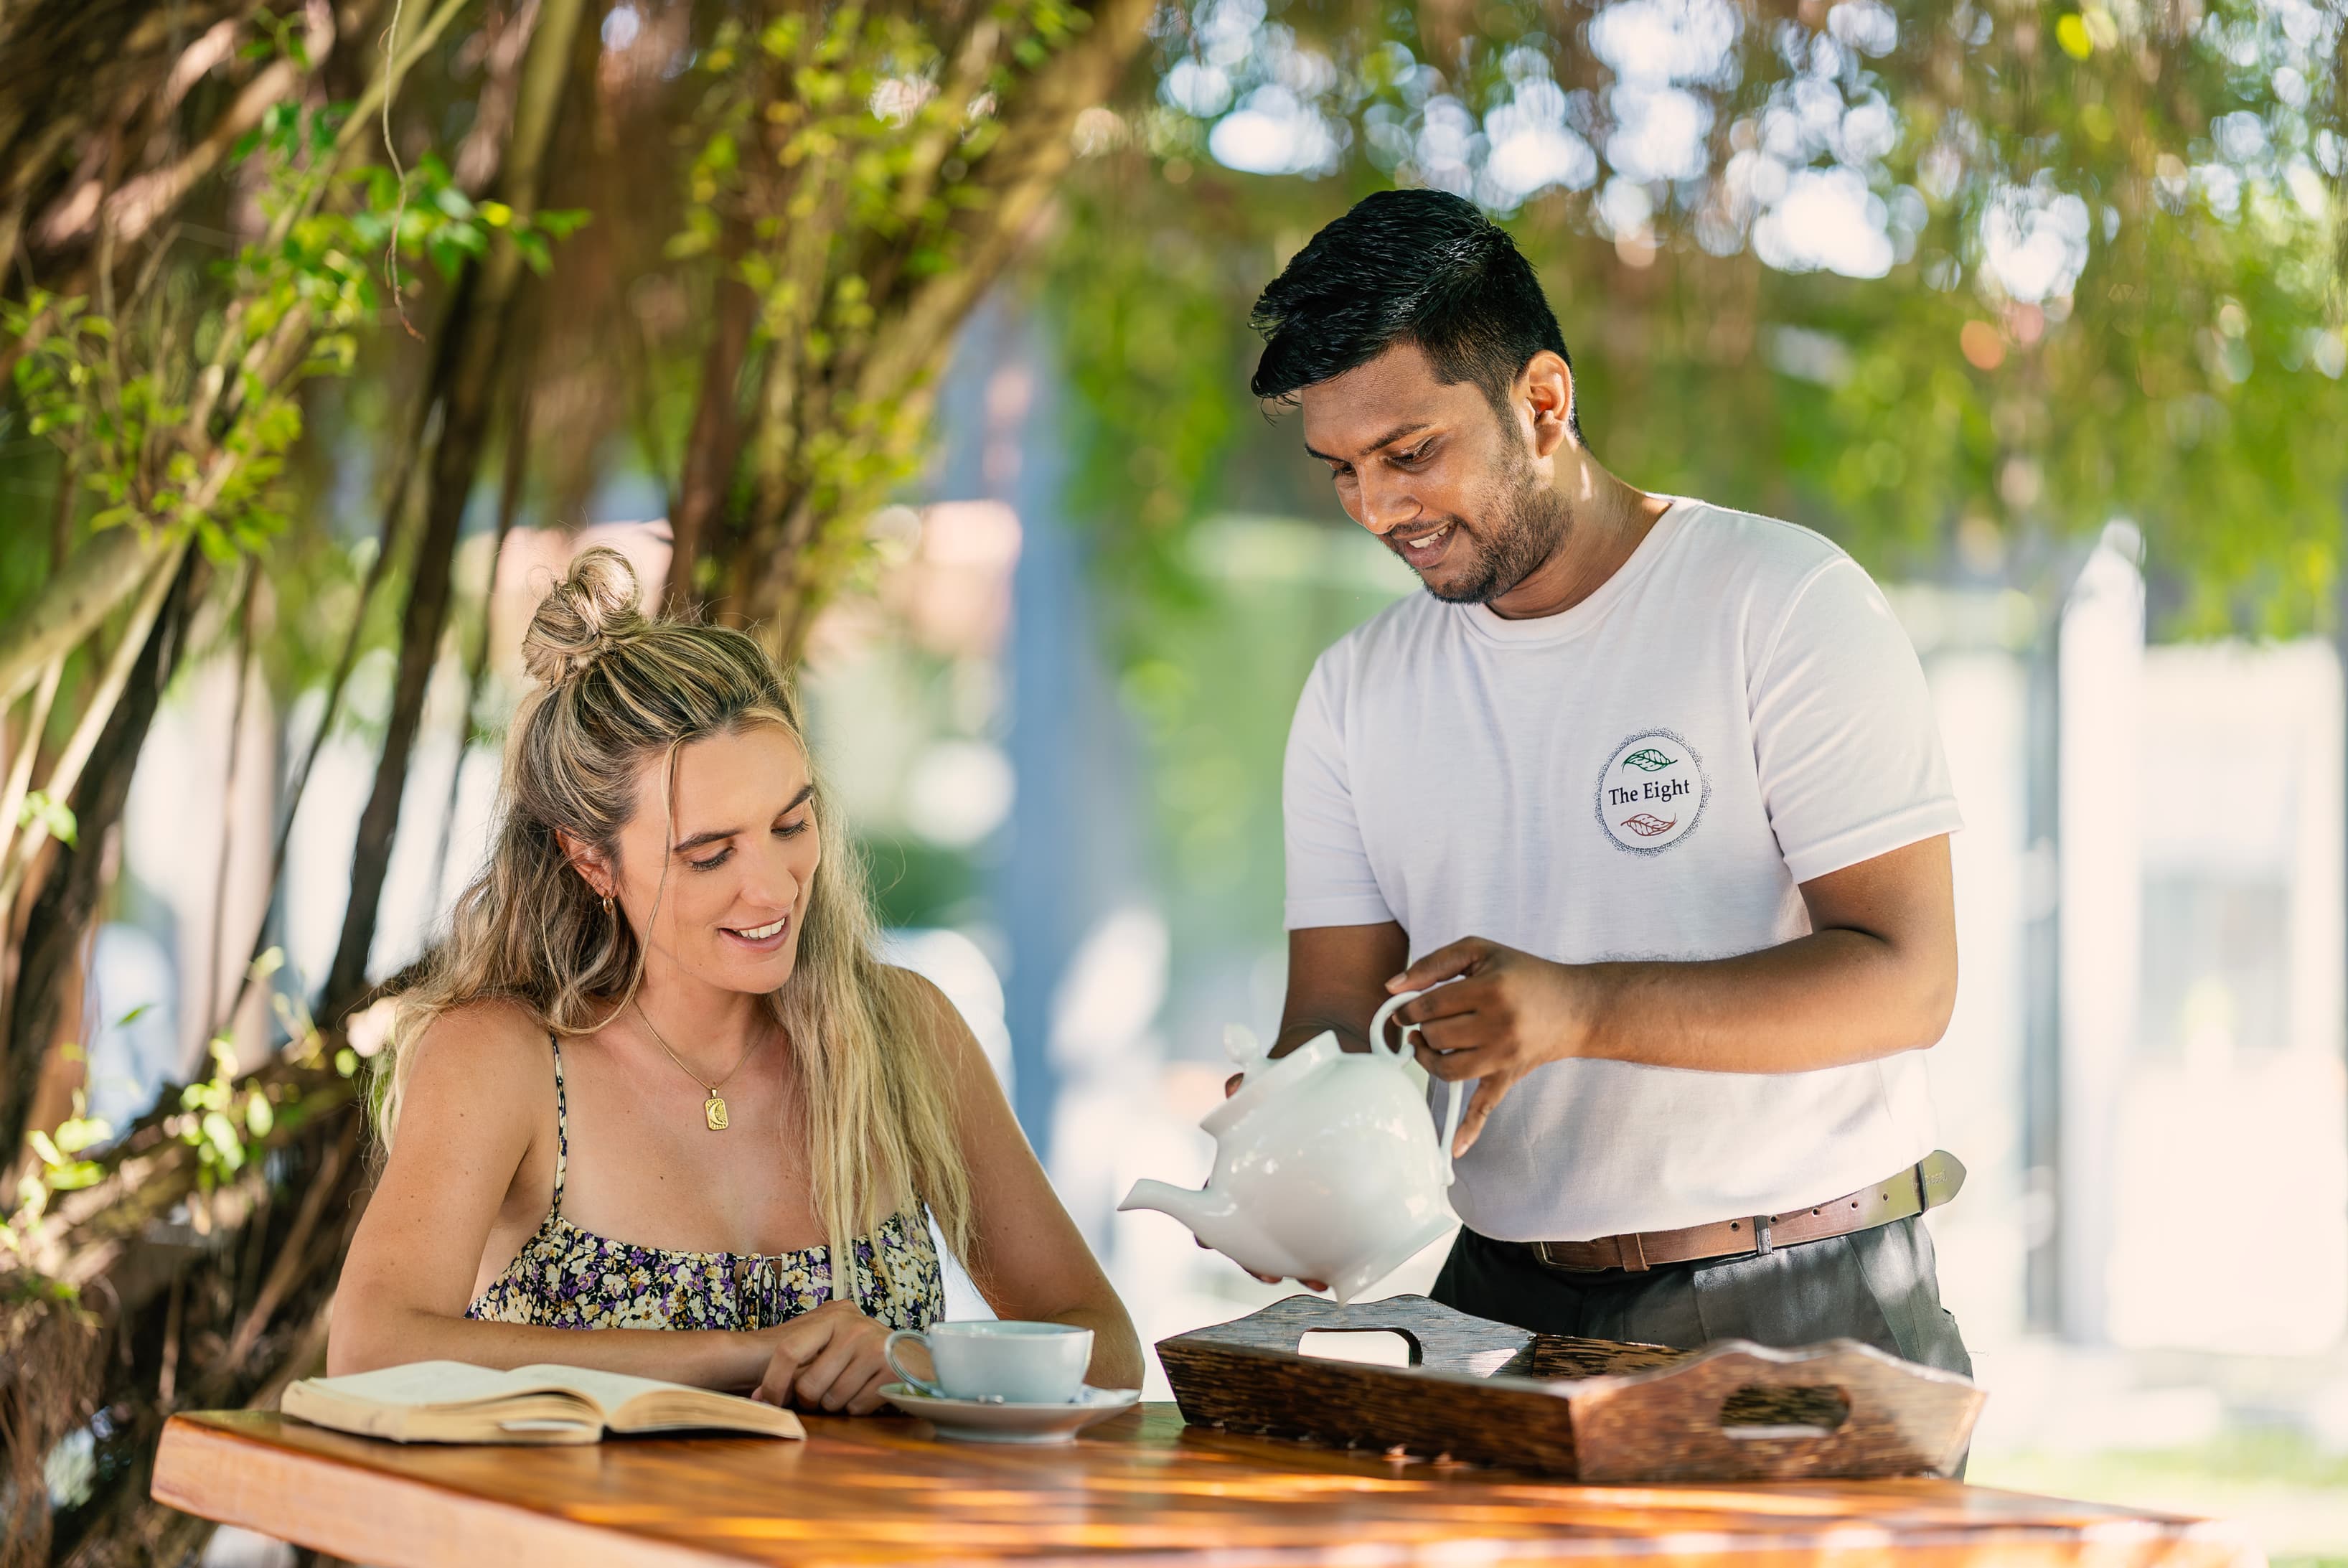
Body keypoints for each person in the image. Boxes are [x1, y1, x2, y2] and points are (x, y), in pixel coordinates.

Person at [1242, 187, 1971, 1377]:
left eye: (1409, 453)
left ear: (1539, 401)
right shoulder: (1354, 692)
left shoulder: (1778, 602)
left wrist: (1579, 1011)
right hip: (1491, 1305)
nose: (1377, 508)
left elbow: (1909, 982)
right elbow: (1330, 1018)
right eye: (1341, 470)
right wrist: (1285, 1139)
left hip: (1799, 1299)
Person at [332, 548, 1141, 1411]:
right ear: (591, 860)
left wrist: (917, 1367)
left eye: (791, 824)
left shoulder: (906, 1032)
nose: (772, 887)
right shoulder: (506, 1059)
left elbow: (1104, 1348)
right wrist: (740, 1356)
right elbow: (374, 1347)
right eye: (709, 853)